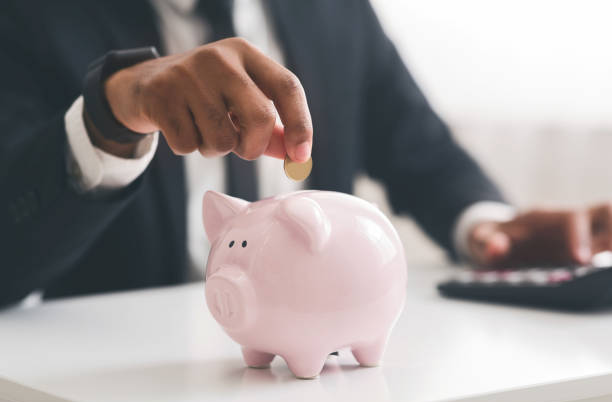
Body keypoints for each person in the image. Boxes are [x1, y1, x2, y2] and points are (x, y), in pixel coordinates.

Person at [1, 0, 610, 308]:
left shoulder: (333, 9)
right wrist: (111, 113)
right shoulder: (28, 16)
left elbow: (421, 150)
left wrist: (493, 231)